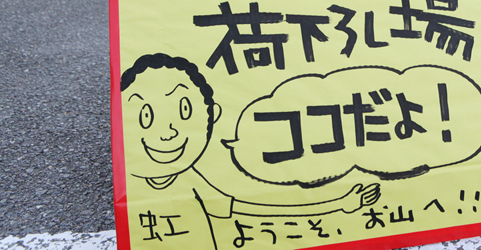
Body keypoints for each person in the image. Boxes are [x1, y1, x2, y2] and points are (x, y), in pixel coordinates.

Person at [121, 53, 380, 249]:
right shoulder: (140, 181)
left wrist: (340, 204)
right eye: (145, 116)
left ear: (213, 115)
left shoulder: (192, 181)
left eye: (185, 110)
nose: (167, 133)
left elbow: (254, 207)